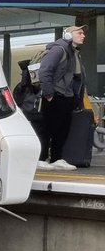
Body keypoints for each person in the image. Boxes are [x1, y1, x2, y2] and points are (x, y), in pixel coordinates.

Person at [36, 25, 88, 171]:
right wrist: (49, 94)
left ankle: (56, 158)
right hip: (56, 96)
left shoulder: (74, 53)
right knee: (48, 128)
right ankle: (41, 158)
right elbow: (45, 71)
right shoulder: (59, 49)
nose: (83, 36)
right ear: (69, 35)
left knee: (61, 130)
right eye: (79, 33)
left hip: (67, 97)